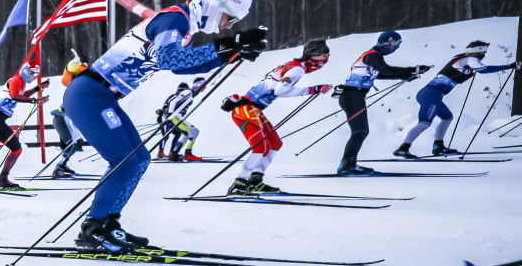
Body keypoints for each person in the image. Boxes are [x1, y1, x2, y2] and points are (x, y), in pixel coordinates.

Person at [64, 0, 266, 252]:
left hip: (102, 96)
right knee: (123, 160)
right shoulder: (174, 19)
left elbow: (180, 69)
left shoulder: (184, 27)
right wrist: (227, 45)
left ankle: (108, 224)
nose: (229, 25)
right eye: (230, 18)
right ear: (215, 7)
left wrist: (232, 52)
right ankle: (93, 229)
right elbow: (169, 60)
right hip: (89, 94)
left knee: (139, 160)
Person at [221, 39, 331, 194]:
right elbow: (280, 90)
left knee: (275, 143)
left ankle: (255, 181)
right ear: (315, 55)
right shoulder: (297, 69)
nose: (326, 58)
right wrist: (313, 89)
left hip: (252, 109)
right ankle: (239, 184)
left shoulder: (293, 66)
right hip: (246, 109)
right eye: (324, 55)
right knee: (261, 147)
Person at [394, 40, 517, 157]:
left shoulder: (461, 57)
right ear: (476, 52)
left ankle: (438, 146)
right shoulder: (471, 59)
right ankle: (403, 149)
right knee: (424, 123)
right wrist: (509, 66)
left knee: (447, 117)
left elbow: (468, 64)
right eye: (482, 53)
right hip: (432, 94)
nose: (483, 55)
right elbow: (483, 70)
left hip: (431, 94)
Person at [336, 30, 428, 174]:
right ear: (386, 41)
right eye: (395, 42)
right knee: (360, 131)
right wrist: (412, 70)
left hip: (355, 95)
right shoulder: (372, 55)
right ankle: (347, 166)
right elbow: (387, 70)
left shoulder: (374, 56)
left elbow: (383, 74)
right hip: (352, 95)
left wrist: (408, 75)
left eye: (399, 43)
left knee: (360, 131)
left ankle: (348, 165)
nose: (397, 46)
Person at [48, 57, 89, 178]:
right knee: (72, 143)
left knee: (78, 143)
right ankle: (58, 168)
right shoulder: (76, 87)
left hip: (68, 120)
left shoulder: (82, 88)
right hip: (61, 119)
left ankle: (63, 164)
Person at [158, 77, 209, 161]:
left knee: (192, 132)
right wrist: (171, 114)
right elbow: (173, 102)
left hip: (178, 116)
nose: (205, 87)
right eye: (204, 84)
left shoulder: (191, 93)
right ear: (199, 84)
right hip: (175, 116)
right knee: (187, 132)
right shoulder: (188, 92)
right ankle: (178, 154)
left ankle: (178, 153)